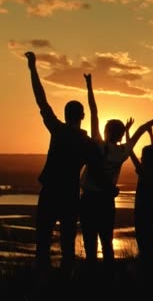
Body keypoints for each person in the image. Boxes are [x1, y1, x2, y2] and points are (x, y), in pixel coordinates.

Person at [79, 73, 153, 277]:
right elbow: (143, 129)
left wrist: (89, 86)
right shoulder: (123, 152)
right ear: (120, 134)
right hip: (107, 201)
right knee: (106, 241)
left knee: (90, 240)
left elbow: (94, 112)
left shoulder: (99, 145)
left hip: (89, 199)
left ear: (106, 132)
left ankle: (90, 278)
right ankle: (107, 277)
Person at [24, 52, 105, 280]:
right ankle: (65, 280)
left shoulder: (58, 131)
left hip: (50, 191)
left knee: (43, 239)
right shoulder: (87, 143)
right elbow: (98, 169)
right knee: (68, 241)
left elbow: (41, 100)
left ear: (66, 114)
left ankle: (42, 278)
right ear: (81, 116)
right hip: (70, 194)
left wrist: (33, 69)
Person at [125, 121, 153, 265]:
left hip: (142, 210)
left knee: (142, 239)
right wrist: (151, 134)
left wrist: (128, 132)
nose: (140, 157)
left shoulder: (143, 171)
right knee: (151, 239)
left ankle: (145, 267)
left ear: (146, 158)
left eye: (143, 155)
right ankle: (152, 264)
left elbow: (130, 151)